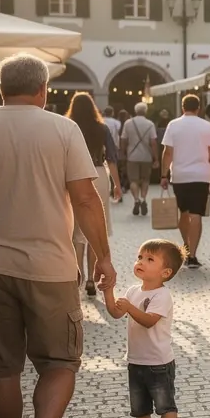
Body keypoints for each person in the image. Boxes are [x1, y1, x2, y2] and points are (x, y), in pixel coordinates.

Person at [0, 53, 116, 418]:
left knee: (1, 369)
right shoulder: (62, 129)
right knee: (59, 362)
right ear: (43, 90)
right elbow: (87, 200)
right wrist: (103, 256)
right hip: (50, 266)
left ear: (0, 89)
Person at [104, 239, 185, 418]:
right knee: (140, 409)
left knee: (165, 404)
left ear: (165, 272)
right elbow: (115, 313)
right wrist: (109, 291)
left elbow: (149, 321)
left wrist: (130, 308)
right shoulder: (132, 291)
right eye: (140, 257)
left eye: (150, 259)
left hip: (159, 362)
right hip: (136, 361)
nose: (141, 262)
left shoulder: (162, 295)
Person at [66, 93, 121, 297]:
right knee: (96, 227)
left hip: (72, 176)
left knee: (76, 231)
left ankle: (76, 279)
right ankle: (91, 280)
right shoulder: (102, 128)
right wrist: (117, 184)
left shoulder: (68, 127)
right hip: (98, 174)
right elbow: (112, 158)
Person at [160, 94, 210, 269]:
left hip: (179, 176)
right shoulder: (206, 126)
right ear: (198, 108)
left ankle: (186, 245)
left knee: (183, 213)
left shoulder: (173, 125)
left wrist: (163, 175)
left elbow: (167, 152)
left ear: (182, 107)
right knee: (196, 214)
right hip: (200, 176)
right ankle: (192, 255)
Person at [121, 103, 159, 217]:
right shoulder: (150, 124)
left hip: (132, 156)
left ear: (135, 110)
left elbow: (123, 140)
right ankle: (143, 199)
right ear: (145, 111)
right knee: (145, 180)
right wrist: (155, 158)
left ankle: (136, 200)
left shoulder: (128, 123)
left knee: (133, 180)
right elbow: (153, 142)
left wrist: (123, 152)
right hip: (146, 156)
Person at [102, 106, 123, 202]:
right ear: (112, 113)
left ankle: (111, 185)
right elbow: (119, 133)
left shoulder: (100, 120)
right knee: (113, 165)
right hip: (114, 145)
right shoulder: (116, 122)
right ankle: (114, 184)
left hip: (102, 147)